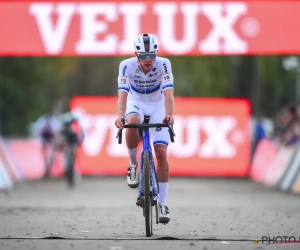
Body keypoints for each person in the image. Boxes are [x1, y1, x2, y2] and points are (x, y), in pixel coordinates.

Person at [114, 33, 175, 224]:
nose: (148, 60)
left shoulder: (164, 63)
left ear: (156, 53)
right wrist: (120, 117)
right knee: (131, 120)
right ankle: (133, 164)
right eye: (143, 56)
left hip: (158, 105)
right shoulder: (126, 65)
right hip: (136, 102)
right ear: (136, 54)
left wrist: (169, 114)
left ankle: (163, 203)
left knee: (161, 153)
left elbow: (169, 93)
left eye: (152, 55)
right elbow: (123, 96)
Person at [35, 112, 60, 178]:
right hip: (46, 138)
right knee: (46, 155)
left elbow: (56, 132)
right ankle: (47, 168)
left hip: (50, 138)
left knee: (51, 154)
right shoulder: (42, 120)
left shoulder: (52, 120)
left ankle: (49, 168)